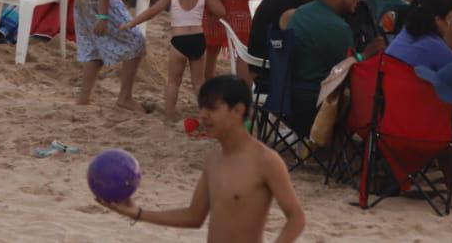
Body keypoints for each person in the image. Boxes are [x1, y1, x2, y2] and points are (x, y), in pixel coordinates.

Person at [95, 74, 305, 241]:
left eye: (212, 108)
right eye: (201, 107)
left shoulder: (266, 160)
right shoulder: (214, 158)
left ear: (238, 110)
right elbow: (194, 216)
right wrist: (136, 212)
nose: (203, 115)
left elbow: (296, 218)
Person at [125, 0, 226, 121]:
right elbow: (222, 13)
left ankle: (169, 117)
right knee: (198, 83)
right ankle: (206, 117)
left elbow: (152, 11)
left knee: (173, 82)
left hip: (179, 42)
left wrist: (132, 23)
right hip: (198, 40)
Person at [287, 0, 363, 132]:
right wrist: (367, 54)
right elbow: (351, 73)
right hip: (316, 110)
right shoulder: (336, 27)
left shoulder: (300, 13)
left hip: (287, 102)